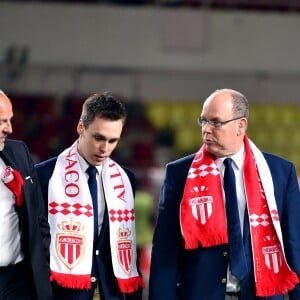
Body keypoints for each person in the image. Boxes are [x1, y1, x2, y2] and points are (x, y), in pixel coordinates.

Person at [149, 88, 300, 300]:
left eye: (216, 122)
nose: (206, 130)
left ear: (241, 125)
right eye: (203, 121)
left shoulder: (280, 172)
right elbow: (165, 250)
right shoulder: (179, 173)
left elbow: (294, 245)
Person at [35, 92, 144, 300]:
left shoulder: (126, 179)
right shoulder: (43, 176)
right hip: (62, 294)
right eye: (99, 138)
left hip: (112, 292)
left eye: (113, 141)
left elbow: (127, 246)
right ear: (80, 127)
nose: (105, 149)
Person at [0, 90, 52, 300]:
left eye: (10, 120)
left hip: (18, 279)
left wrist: (43, 264)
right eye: (2, 121)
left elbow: (39, 218)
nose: (9, 129)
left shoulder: (19, 152)